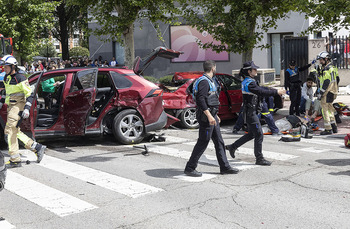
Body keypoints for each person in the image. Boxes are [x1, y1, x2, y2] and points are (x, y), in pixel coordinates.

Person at [184, 60, 239, 177]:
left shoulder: (208, 80)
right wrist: (209, 115)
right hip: (205, 117)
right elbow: (200, 99)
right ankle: (190, 167)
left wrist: (215, 114)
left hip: (211, 115)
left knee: (219, 141)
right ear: (213, 68)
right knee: (203, 142)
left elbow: (211, 100)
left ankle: (225, 167)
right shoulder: (204, 82)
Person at [225, 61, 285, 166]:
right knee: (259, 134)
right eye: (254, 69)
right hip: (250, 113)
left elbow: (262, 89)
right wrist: (276, 92)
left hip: (251, 112)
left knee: (252, 134)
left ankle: (233, 147)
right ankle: (259, 158)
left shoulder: (250, 81)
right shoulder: (249, 83)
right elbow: (260, 92)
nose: (256, 70)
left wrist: (274, 90)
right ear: (249, 71)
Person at [0, 55, 46, 168]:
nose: (4, 69)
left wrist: (26, 109)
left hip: (18, 106)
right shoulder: (7, 77)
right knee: (15, 130)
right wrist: (1, 103)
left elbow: (30, 94)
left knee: (10, 131)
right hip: (11, 106)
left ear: (13, 66)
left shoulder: (20, 78)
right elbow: (6, 92)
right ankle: (36, 147)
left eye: (6, 67)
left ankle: (15, 159)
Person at [316, 51, 340, 135]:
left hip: (326, 92)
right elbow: (337, 79)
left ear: (326, 59)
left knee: (325, 110)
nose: (320, 62)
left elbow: (326, 81)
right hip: (333, 91)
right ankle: (334, 126)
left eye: (321, 60)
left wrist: (321, 93)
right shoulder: (333, 67)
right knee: (330, 109)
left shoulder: (326, 69)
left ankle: (328, 129)